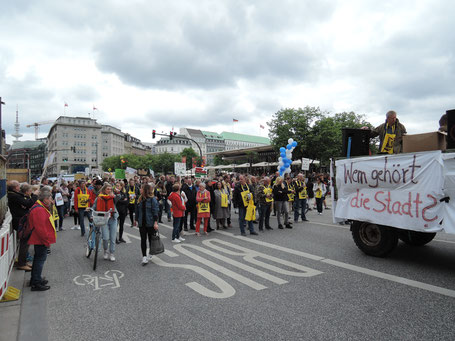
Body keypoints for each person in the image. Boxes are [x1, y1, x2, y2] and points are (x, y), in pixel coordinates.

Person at [27, 186, 57, 291]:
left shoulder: (40, 206)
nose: (51, 201)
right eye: (50, 199)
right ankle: (36, 282)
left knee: (38, 259)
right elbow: (41, 229)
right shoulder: (39, 209)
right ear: (45, 199)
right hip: (40, 239)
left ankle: (35, 279)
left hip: (39, 238)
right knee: (40, 260)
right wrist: (46, 241)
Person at [7, 181, 35, 271]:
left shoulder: (14, 195)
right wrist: (34, 195)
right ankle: (22, 263)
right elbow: (28, 203)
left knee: (25, 242)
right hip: (20, 220)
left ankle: (23, 261)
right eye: (18, 185)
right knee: (25, 242)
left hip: (20, 219)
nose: (20, 187)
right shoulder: (14, 196)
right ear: (15, 187)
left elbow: (25, 203)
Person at [135, 184, 159, 265]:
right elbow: (137, 210)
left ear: (145, 190)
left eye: (141, 188)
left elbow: (155, 211)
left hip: (150, 222)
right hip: (142, 223)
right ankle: (144, 257)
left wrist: (156, 222)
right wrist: (136, 220)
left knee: (151, 239)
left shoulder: (152, 200)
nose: (140, 189)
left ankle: (150, 253)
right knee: (143, 240)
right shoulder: (140, 199)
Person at [93, 183, 118, 261]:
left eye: (110, 189)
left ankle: (112, 253)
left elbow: (120, 198)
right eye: (108, 189)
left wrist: (117, 192)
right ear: (104, 190)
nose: (109, 190)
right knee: (106, 238)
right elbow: (94, 207)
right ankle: (106, 251)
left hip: (113, 218)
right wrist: (91, 212)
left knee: (113, 238)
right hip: (103, 219)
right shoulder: (99, 198)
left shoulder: (113, 197)